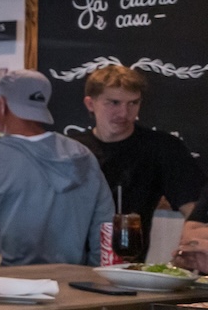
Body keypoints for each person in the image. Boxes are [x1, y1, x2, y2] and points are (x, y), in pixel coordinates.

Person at [0, 69, 110, 266]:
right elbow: (104, 226)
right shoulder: (83, 157)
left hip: (7, 286)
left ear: (1, 105)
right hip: (70, 284)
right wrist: (92, 278)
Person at [72, 63, 201, 233]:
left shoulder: (162, 147)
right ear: (90, 104)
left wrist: (194, 241)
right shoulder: (70, 150)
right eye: (114, 103)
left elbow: (194, 209)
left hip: (129, 257)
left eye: (133, 103)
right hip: (68, 256)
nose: (124, 113)